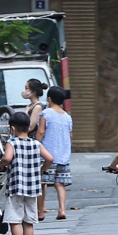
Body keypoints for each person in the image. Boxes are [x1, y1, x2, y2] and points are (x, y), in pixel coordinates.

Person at [0, 111, 53, 235]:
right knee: (28, 222)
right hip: (33, 188)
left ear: (12, 129)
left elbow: (7, 158)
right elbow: (50, 158)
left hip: (16, 186)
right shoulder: (36, 144)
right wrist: (41, 170)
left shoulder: (12, 143)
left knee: (15, 220)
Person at [38, 86, 73, 220]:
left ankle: (40, 212)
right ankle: (62, 209)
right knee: (60, 183)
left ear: (49, 99)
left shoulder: (46, 113)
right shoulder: (67, 116)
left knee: (42, 182)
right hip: (63, 155)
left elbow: (41, 131)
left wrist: (36, 144)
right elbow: (70, 135)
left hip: (48, 154)